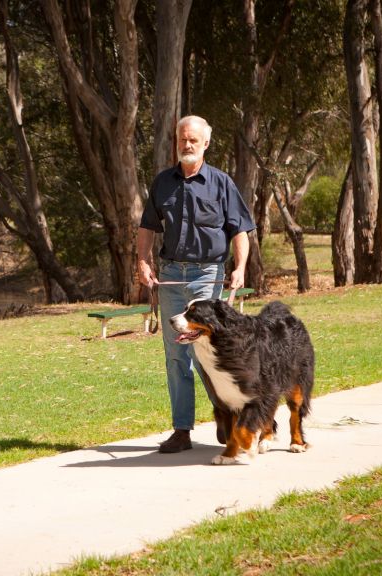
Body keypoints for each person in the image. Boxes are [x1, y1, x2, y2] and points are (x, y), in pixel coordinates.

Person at [137, 115, 255, 453]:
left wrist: (241, 267)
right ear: (176, 141)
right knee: (177, 357)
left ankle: (225, 416)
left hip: (209, 276)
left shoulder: (221, 183)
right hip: (171, 277)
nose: (186, 145)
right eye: (182, 139)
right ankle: (182, 430)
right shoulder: (162, 183)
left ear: (205, 143)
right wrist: (143, 262)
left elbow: (240, 230)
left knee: (209, 353)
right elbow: (147, 227)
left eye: (193, 140)